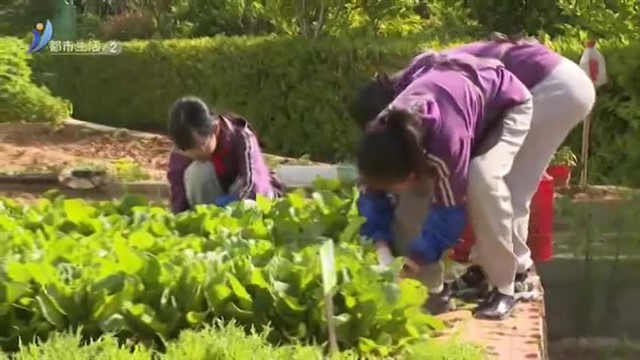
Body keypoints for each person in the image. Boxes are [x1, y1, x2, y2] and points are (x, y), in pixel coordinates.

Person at [351, 34, 596, 312]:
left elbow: (449, 205)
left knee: (491, 179)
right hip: (505, 90)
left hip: (553, 88)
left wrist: (419, 255)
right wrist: (379, 241)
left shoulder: (438, 122)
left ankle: (513, 278)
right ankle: (463, 279)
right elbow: (378, 191)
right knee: (453, 183)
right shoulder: (399, 115)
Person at [357, 53, 535, 319]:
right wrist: (379, 242)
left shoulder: (446, 147)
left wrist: (417, 257)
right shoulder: (381, 134)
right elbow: (371, 193)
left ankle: (506, 286)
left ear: (412, 169)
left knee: (482, 180)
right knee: (411, 197)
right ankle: (432, 294)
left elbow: (449, 214)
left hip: (504, 106)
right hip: (456, 105)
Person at [166, 96, 283, 213]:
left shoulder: (241, 136)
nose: (194, 155)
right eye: (187, 151)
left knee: (247, 198)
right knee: (197, 172)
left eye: (200, 147)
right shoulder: (181, 150)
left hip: (254, 198)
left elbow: (255, 183)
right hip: (216, 206)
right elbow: (178, 199)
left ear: (215, 129)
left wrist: (235, 205)